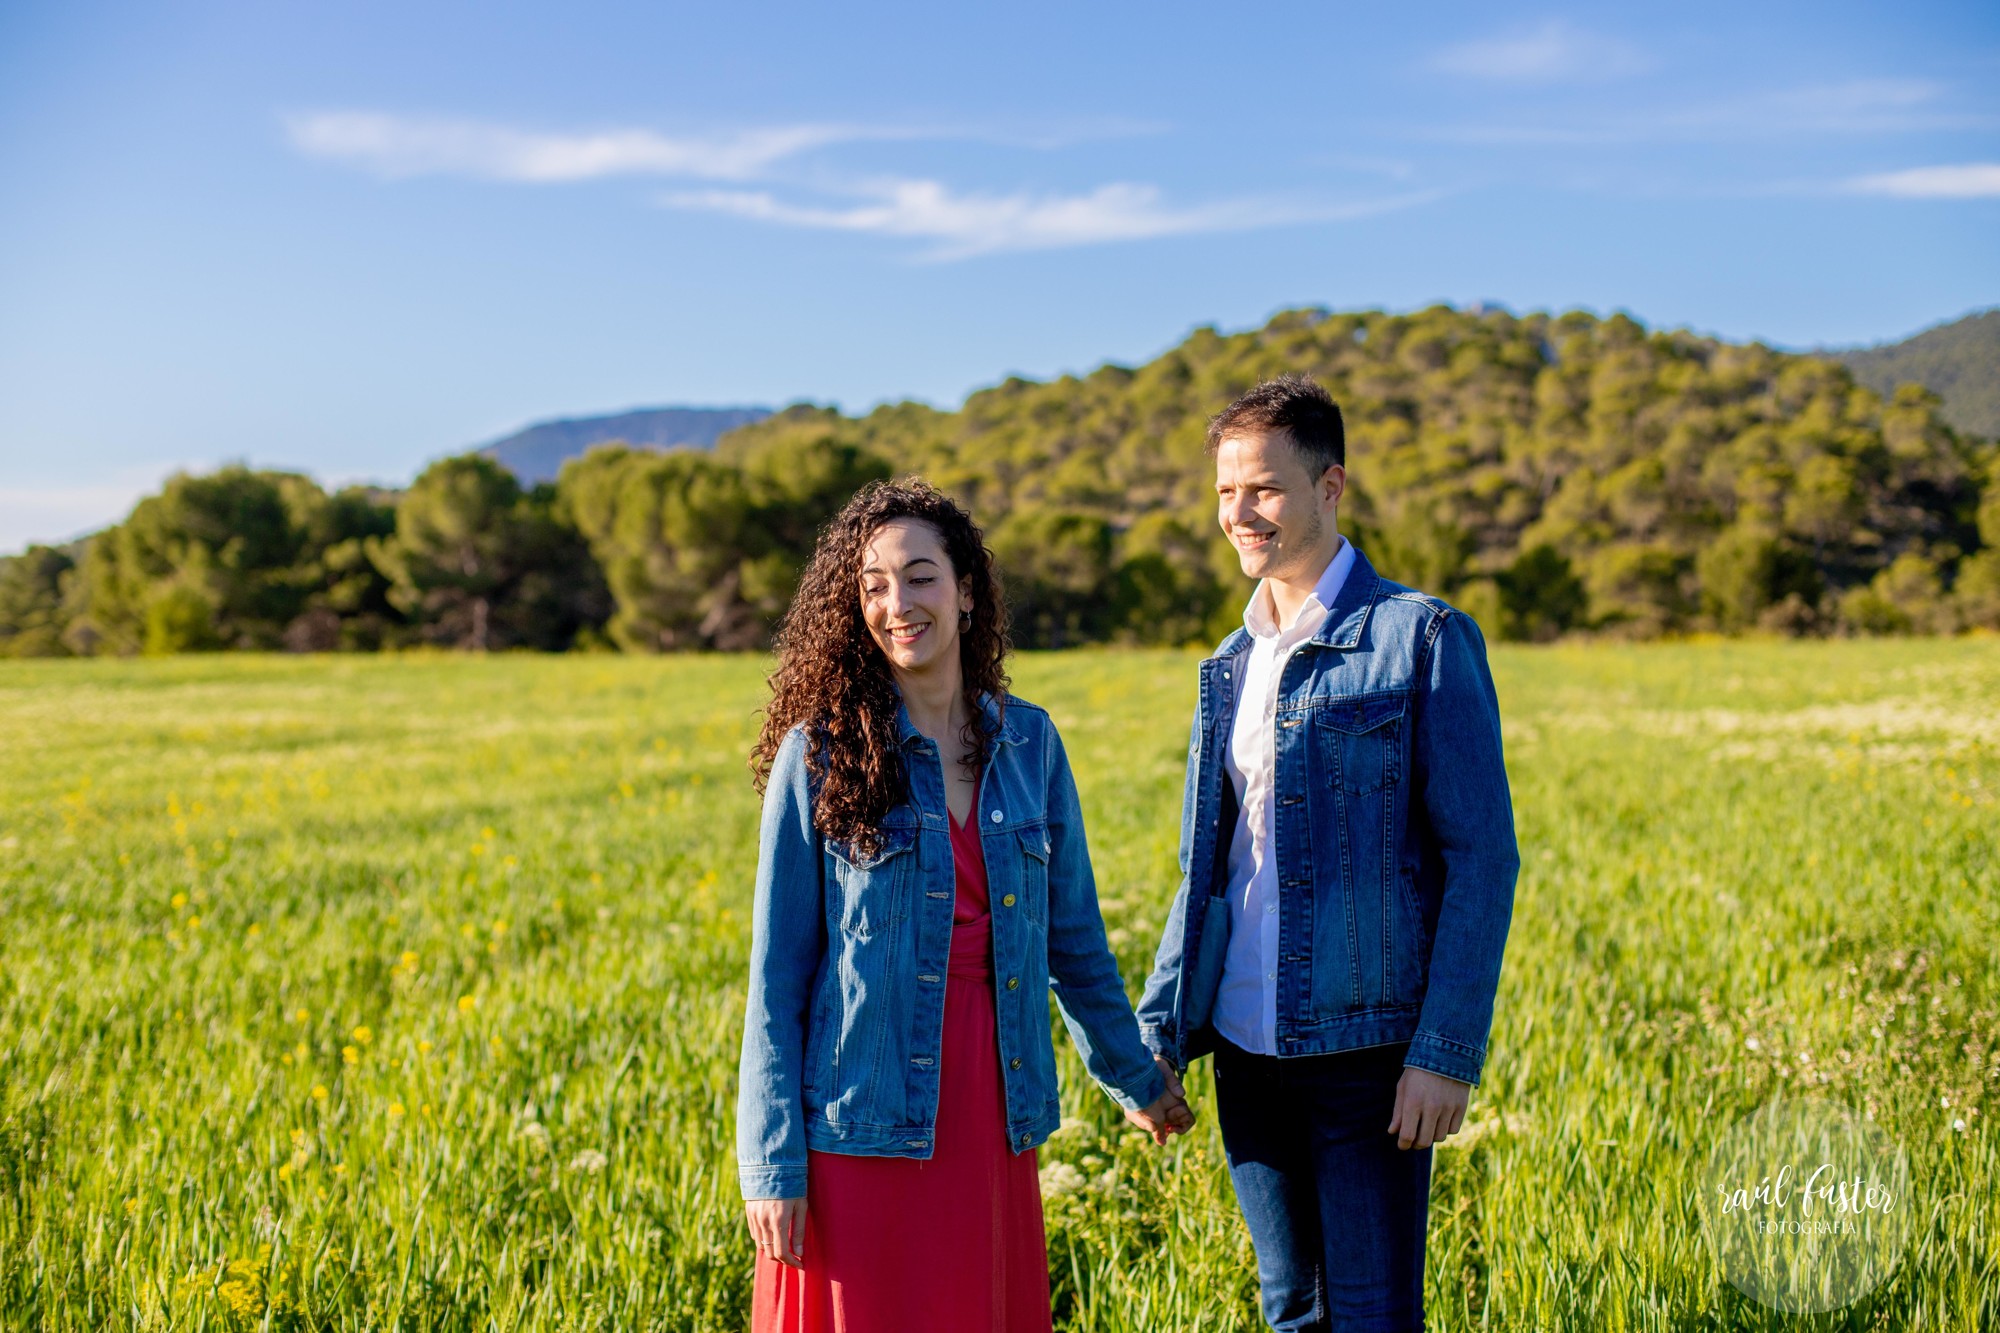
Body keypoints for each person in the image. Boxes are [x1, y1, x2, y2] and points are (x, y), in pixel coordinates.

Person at [737, 478, 1193, 1333]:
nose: (896, 603)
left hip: (990, 1108)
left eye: (920, 577)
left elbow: (1077, 944)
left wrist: (1135, 1077)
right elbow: (777, 977)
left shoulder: (1031, 744)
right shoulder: (819, 755)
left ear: (967, 592)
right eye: (873, 585)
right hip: (858, 1121)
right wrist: (771, 1164)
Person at [1136, 376, 1519, 1333]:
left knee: (1375, 1314)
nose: (1238, 515)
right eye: (1225, 493)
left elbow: (1484, 857)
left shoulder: (1421, 637)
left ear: (1329, 485)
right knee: (1290, 1310)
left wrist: (1445, 1052)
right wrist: (1163, 1029)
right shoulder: (1230, 661)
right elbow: (1210, 868)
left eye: (1261, 489)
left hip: (1367, 1054)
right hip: (1243, 1050)